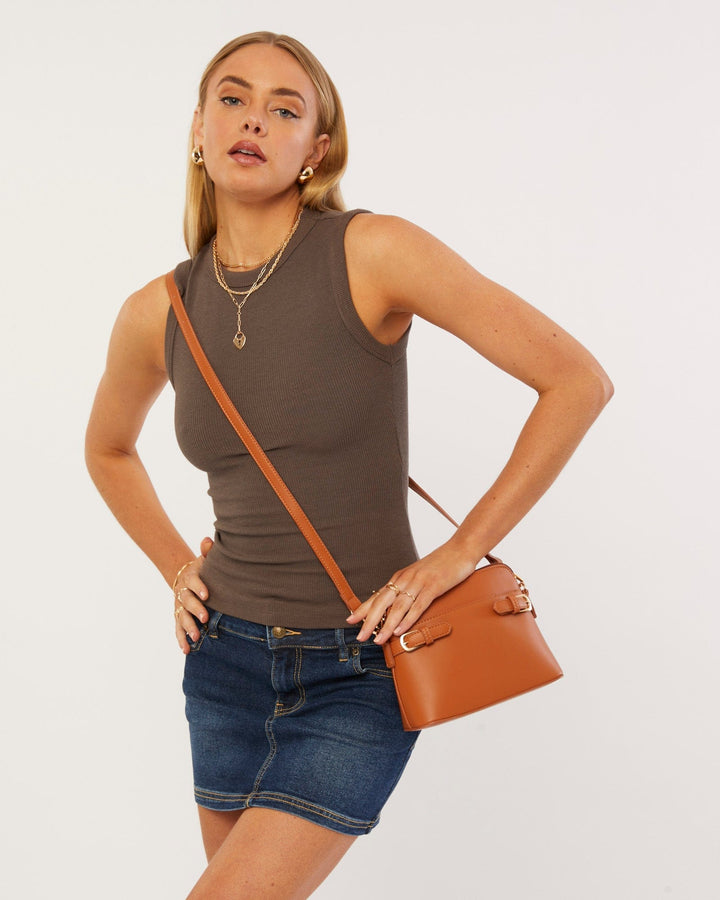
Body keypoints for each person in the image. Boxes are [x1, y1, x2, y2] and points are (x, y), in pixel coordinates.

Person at [85, 30, 613, 899]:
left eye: (284, 108)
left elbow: (576, 382)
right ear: (198, 129)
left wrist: (455, 556)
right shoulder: (158, 311)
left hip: (357, 666)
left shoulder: (373, 253)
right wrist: (177, 567)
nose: (253, 119)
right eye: (232, 97)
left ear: (317, 150)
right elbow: (107, 449)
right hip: (222, 664)